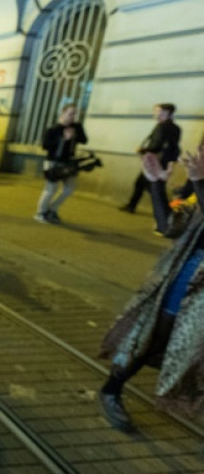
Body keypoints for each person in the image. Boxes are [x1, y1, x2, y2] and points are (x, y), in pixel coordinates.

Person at [98, 146, 204, 432]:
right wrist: (157, 183)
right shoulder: (197, 190)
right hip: (187, 284)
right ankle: (111, 390)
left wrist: (199, 180)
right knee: (152, 339)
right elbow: (167, 225)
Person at [120, 103, 181, 214]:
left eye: (159, 111)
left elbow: (156, 146)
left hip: (154, 162)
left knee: (152, 188)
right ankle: (132, 205)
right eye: (156, 111)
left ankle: (168, 212)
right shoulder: (176, 128)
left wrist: (142, 150)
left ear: (167, 113)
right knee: (145, 185)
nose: (156, 114)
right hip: (165, 162)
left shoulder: (161, 126)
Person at [34, 104, 88, 224]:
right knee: (50, 189)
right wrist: (63, 138)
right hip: (52, 162)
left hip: (68, 163)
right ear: (63, 114)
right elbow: (45, 146)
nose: (72, 116)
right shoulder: (53, 129)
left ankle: (52, 210)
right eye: (70, 113)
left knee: (69, 189)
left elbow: (84, 140)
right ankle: (41, 212)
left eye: (75, 113)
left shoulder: (76, 127)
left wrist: (76, 132)